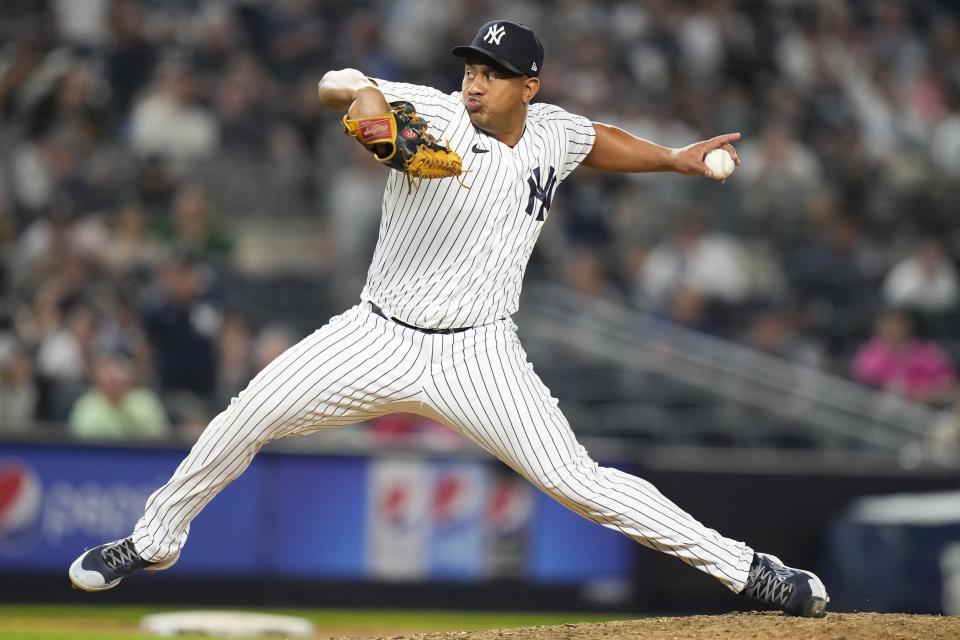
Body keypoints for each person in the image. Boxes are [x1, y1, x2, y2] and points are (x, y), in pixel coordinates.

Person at [69, 20, 828, 618]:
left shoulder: (553, 131)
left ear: (528, 86)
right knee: (248, 414)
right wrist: (367, 102)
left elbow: (597, 142)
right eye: (470, 68)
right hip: (378, 333)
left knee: (579, 482)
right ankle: (152, 540)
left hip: (481, 352)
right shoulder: (430, 111)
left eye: (491, 74)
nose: (473, 82)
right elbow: (340, 84)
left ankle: (749, 571)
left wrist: (673, 158)